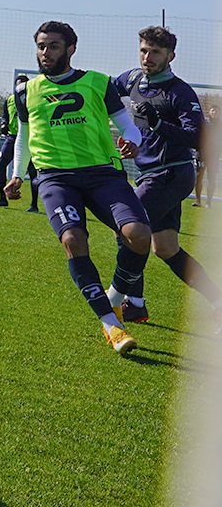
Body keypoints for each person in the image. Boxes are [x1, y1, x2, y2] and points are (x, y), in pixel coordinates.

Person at [6, 21, 152, 354]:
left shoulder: (98, 83)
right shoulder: (25, 91)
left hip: (103, 174)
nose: (46, 53)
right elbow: (24, 137)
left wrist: (131, 142)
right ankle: (112, 326)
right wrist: (18, 175)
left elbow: (129, 127)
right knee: (73, 238)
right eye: (42, 46)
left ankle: (114, 298)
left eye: (54, 46)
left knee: (140, 235)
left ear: (71, 48)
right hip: (55, 178)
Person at [106, 26, 222, 331]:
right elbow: (105, 92)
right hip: (151, 174)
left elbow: (197, 137)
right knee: (165, 247)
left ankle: (122, 302)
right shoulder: (131, 79)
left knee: (128, 230)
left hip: (171, 174)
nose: (148, 57)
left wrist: (157, 124)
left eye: (155, 52)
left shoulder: (180, 92)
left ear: (171, 56)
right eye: (144, 50)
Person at [0, 80, 39, 211]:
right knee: (1, 164)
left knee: (33, 171)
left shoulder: (33, 100)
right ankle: (2, 198)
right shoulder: (10, 100)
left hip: (29, 138)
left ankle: (34, 204)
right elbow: (4, 115)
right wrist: (3, 123)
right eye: (18, 85)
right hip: (12, 137)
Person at [196, 105, 218, 208]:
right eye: (213, 110)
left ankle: (208, 202)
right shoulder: (203, 123)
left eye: (217, 110)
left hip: (214, 156)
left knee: (211, 178)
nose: (214, 112)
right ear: (209, 111)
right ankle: (198, 201)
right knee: (199, 176)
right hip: (202, 154)